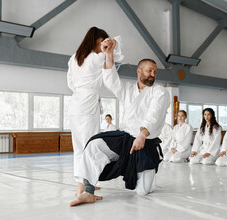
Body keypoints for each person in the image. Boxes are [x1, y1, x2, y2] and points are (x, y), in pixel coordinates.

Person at [70, 38, 170, 206]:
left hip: (146, 141)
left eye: (155, 72)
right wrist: (109, 53)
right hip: (126, 138)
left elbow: (154, 115)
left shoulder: (160, 92)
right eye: (149, 71)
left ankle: (142, 172)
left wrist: (142, 135)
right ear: (139, 71)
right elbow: (111, 80)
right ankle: (88, 191)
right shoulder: (128, 90)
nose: (153, 74)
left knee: (143, 191)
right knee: (94, 144)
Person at [67, 27, 123, 199]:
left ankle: (84, 182)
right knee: (89, 145)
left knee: (79, 147)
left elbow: (70, 83)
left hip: (75, 103)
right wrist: (111, 44)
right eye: (102, 43)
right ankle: (83, 189)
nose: (103, 47)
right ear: (99, 42)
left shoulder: (74, 58)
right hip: (87, 104)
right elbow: (117, 56)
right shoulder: (95, 57)